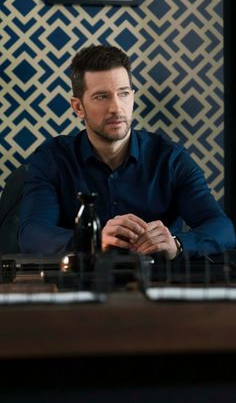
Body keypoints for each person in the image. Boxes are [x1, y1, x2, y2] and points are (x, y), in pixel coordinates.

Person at [18, 45, 235, 259]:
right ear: (78, 107)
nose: (116, 108)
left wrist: (177, 244)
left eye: (123, 94)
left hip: (159, 285)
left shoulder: (171, 158)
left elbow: (222, 228)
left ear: (132, 96)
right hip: (79, 286)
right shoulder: (52, 158)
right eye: (101, 97)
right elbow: (31, 233)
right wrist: (92, 241)